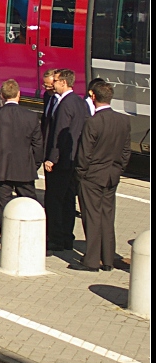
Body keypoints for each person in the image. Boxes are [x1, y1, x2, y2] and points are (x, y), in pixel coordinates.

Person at [69, 81, 132, 272]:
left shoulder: (93, 122)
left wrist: (81, 173)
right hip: (111, 175)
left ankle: (91, 260)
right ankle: (108, 259)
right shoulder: (123, 120)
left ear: (93, 96)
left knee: (92, 216)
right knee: (107, 215)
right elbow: (126, 151)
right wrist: (118, 169)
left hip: (92, 176)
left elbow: (84, 153)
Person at [43, 68, 89, 254]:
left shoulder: (65, 104)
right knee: (69, 199)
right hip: (73, 158)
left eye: (55, 81)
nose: (52, 84)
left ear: (63, 82)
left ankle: (56, 238)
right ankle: (68, 237)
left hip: (61, 160)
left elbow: (59, 133)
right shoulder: (80, 102)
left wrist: (52, 158)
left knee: (54, 199)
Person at [0, 79, 44, 221]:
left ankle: (6, 235)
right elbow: (38, 144)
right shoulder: (31, 116)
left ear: (2, 95)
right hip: (24, 167)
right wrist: (34, 164)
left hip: (1, 167)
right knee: (29, 203)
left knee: (3, 205)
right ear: (19, 94)